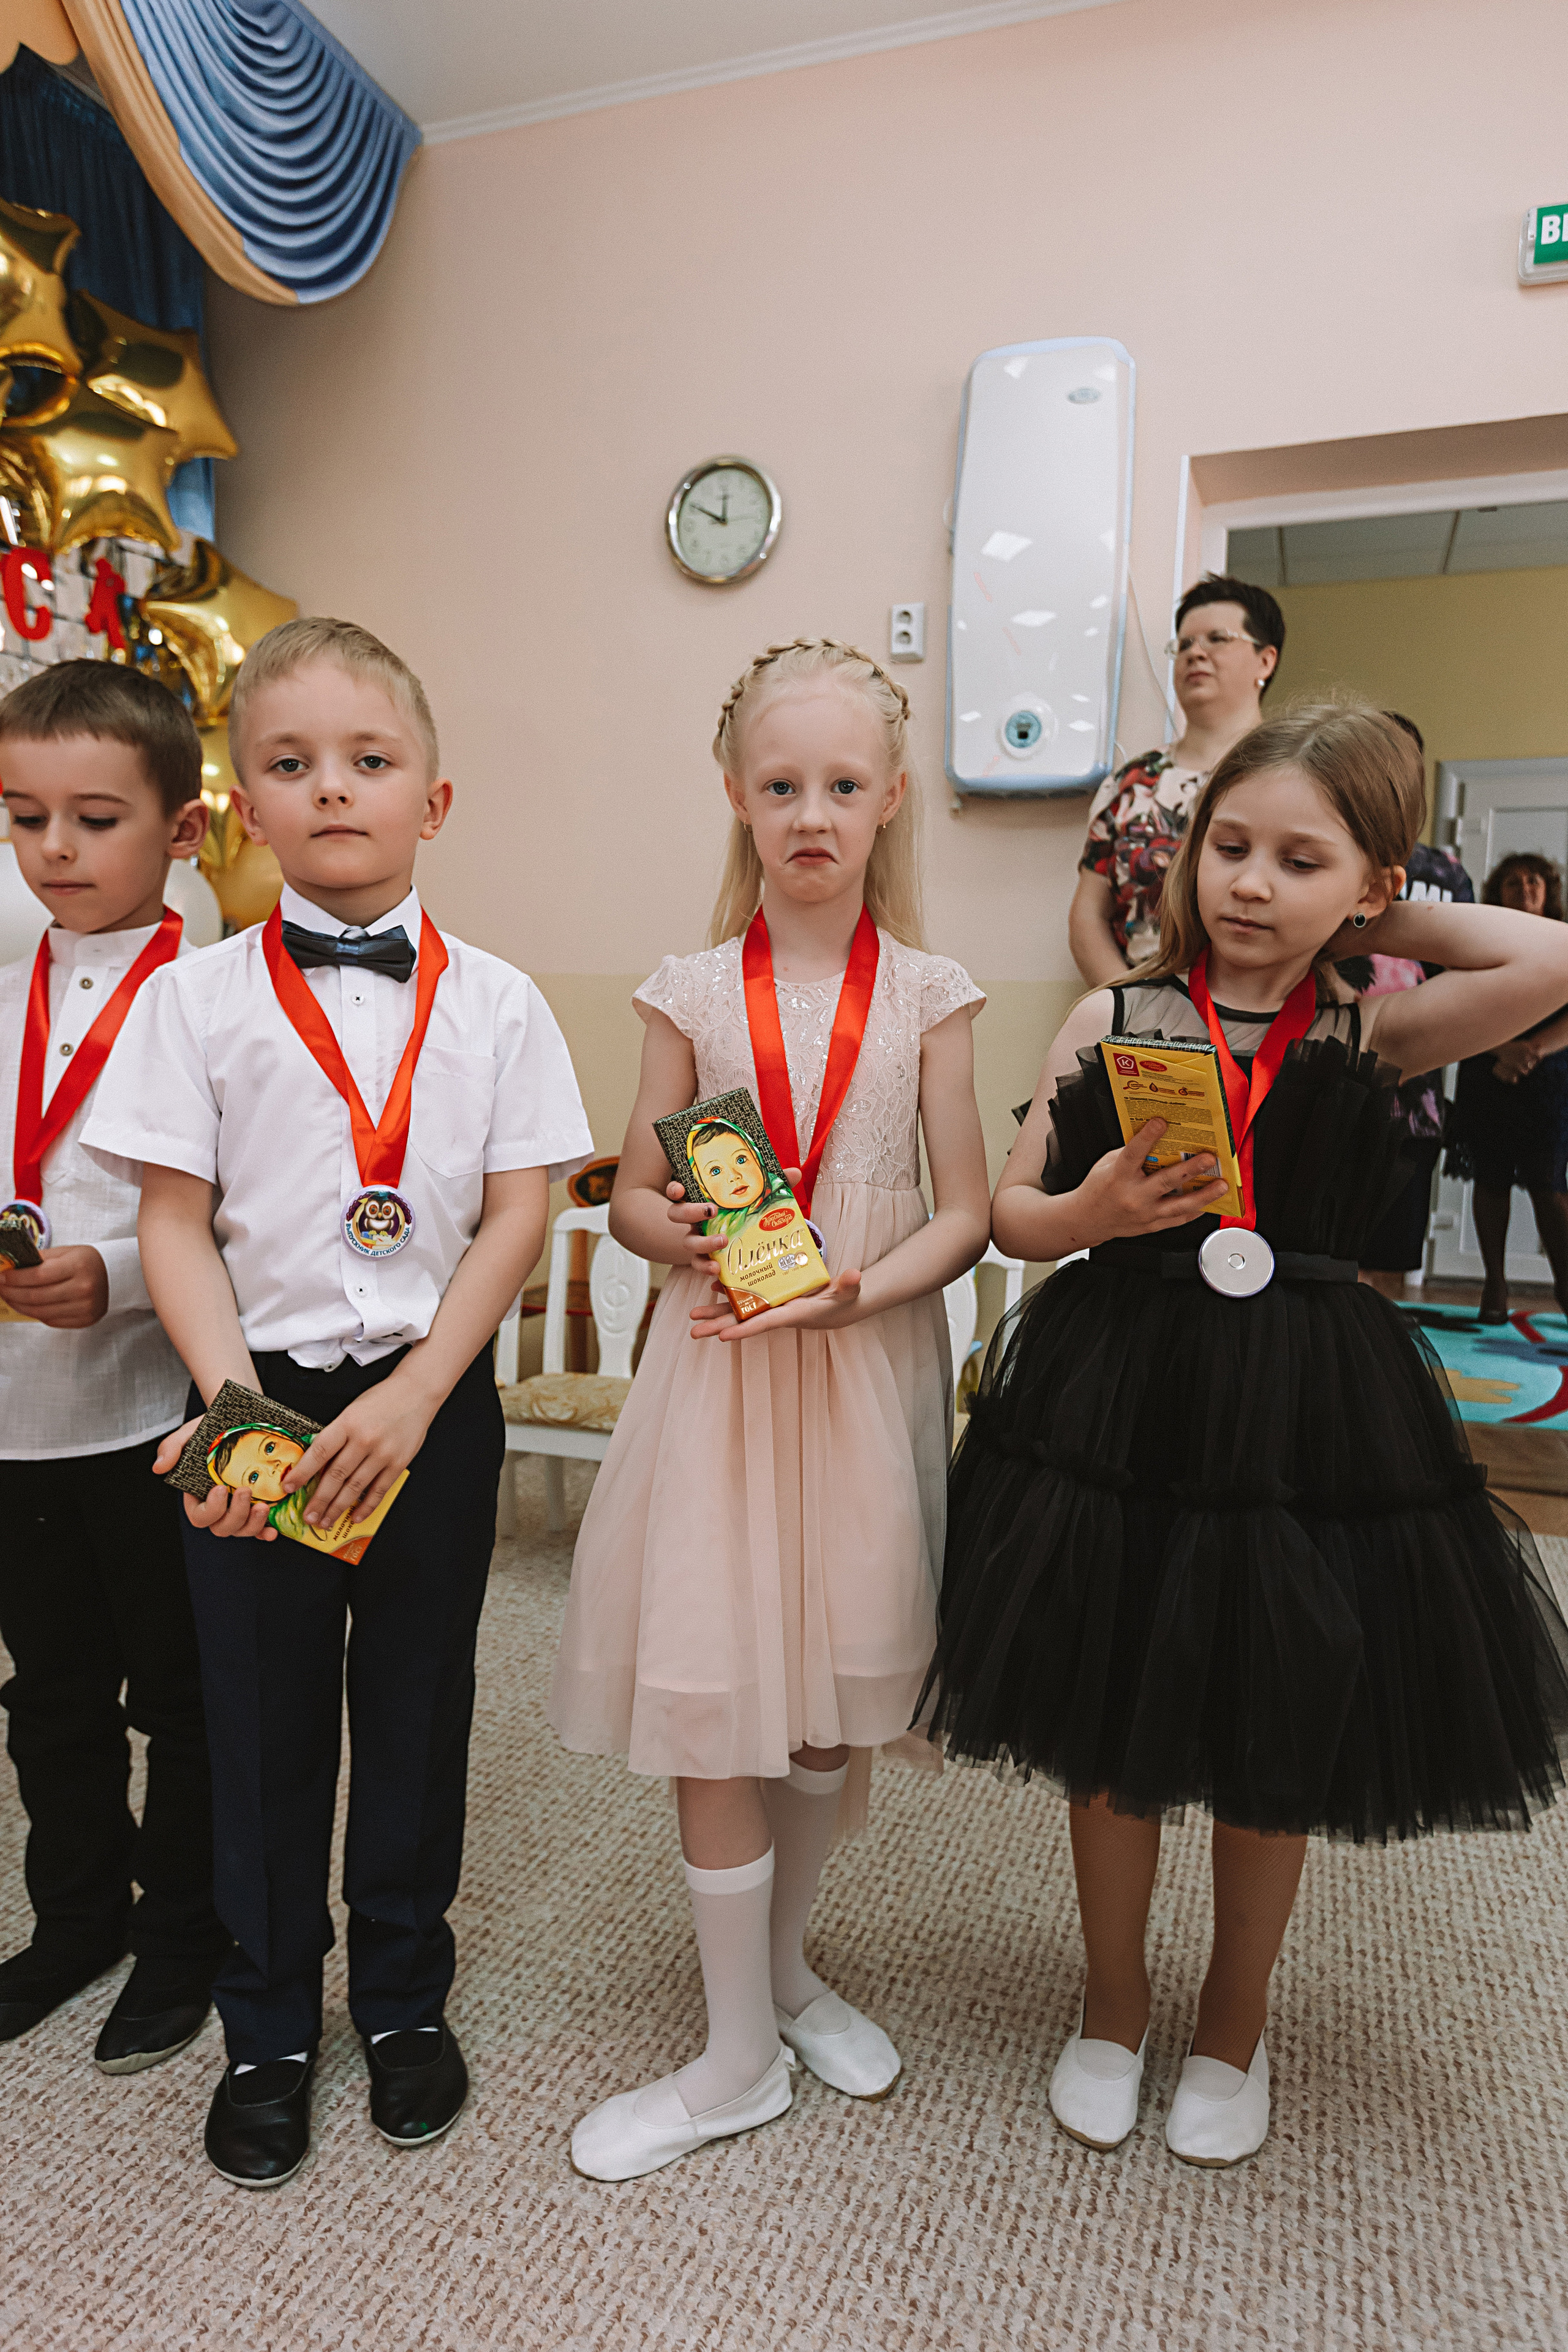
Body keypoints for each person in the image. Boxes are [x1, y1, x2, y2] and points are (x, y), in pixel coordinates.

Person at [923, 703, 1568, 2169]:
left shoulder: (1376, 1024)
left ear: (1366, 880)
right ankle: (1109, 1999)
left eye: (1296, 858)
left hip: (1302, 1408)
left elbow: (1548, 959)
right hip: (1122, 1386)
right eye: (1228, 845)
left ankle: (1230, 2018)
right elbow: (1013, 1209)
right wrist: (1080, 1218)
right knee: (1104, 1717)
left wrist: (1373, 909)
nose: (1248, 884)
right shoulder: (1113, 1015)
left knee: (1274, 1717)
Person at [83, 618, 593, 2188]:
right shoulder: (198, 1001)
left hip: (428, 1403)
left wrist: (426, 1389)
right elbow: (174, 1216)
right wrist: (240, 1410)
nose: (333, 790)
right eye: (291, 764)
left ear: (434, 799)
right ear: (241, 801)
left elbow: (520, 1209)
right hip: (262, 1389)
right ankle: (266, 2025)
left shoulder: (501, 1002)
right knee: (258, 1716)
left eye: (370, 761)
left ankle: (398, 1998)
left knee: (418, 1709)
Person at [550, 636, 992, 2183]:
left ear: (888, 802)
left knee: (820, 1711)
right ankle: (733, 2054)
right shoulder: (687, 987)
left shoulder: (930, 992)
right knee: (712, 1692)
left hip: (853, 1369)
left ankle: (789, 1972)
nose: (812, 811)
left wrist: (852, 1291)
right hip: (722, 1379)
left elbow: (966, 1209)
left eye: (843, 785)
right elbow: (633, 1194)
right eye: (781, 784)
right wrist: (665, 1228)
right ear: (737, 799)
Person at [0, 660, 230, 2070]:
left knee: (180, 1692)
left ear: (183, 832)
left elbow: (250, 1205)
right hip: (15, 1417)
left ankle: (181, 1933)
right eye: (23, 818)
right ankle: (74, 1916)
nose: (54, 852)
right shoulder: (3, 965)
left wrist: (126, 1276)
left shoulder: (212, 992)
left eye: (93, 818)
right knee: (51, 1693)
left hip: (150, 1406)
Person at [1070, 575, 1284, 985]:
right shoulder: (1131, 783)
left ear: (1265, 660)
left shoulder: (1296, 774)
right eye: (1184, 645)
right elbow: (1087, 915)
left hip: (1266, 1013)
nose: (1195, 653)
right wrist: (1130, 1008)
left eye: (1217, 639)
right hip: (1141, 1013)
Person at [1335, 715, 1474, 1296]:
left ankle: (1374, 1375)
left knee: (1388, 1257)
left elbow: (1464, 976)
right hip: (1323, 1074)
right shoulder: (1325, 852)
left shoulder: (1445, 872)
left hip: (1411, 1094)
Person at [1445, 851, 1568, 1324]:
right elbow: (1456, 1004)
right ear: (1498, 891)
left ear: (1548, 890)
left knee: (1550, 1186)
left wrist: (1531, 1050)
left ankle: (1565, 1285)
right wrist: (1503, 1051)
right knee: (1490, 1177)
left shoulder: (1563, 939)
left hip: (1552, 1075)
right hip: (1488, 1071)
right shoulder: (1477, 939)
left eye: (1534, 880)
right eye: (1513, 882)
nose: (1525, 888)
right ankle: (1494, 1285)